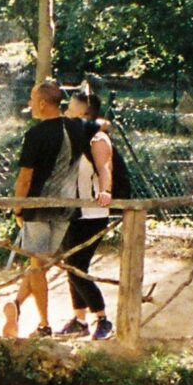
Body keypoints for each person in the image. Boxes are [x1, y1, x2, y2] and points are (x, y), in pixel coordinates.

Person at [3, 78, 87, 342]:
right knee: (41, 263)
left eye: (31, 99)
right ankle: (16, 305)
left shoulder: (35, 134)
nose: (29, 104)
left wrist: (18, 208)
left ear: (41, 102)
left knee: (38, 265)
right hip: (66, 206)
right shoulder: (77, 129)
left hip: (38, 207)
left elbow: (24, 178)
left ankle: (43, 324)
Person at [59, 77, 115, 341]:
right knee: (70, 265)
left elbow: (104, 169)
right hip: (73, 211)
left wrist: (105, 191)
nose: (66, 111)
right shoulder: (73, 136)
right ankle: (79, 319)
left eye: (70, 108)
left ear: (84, 113)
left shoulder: (98, 139)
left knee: (77, 265)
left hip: (92, 213)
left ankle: (102, 318)